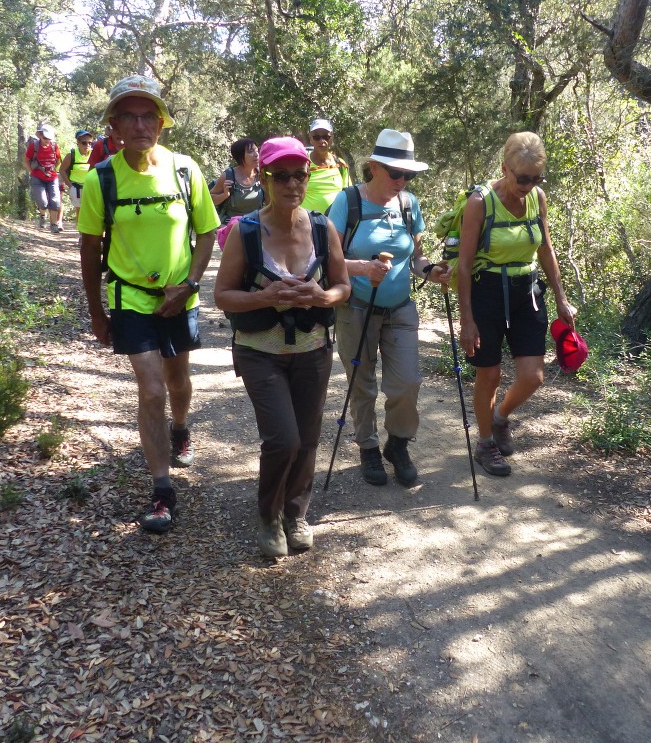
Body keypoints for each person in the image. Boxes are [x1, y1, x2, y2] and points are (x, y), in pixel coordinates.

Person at [77, 75, 219, 534]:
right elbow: (89, 248)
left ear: (160, 123)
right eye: (129, 116)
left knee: (178, 383)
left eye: (147, 116)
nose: (139, 124)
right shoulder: (102, 178)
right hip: (129, 299)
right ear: (114, 125)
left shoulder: (185, 169)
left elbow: (208, 232)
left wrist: (191, 284)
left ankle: (181, 428)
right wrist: (98, 312)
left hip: (180, 296)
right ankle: (162, 492)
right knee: (152, 390)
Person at [215, 137, 350, 558]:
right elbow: (223, 295)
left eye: (300, 174)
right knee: (283, 439)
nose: (292, 183)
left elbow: (343, 285)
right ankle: (269, 515)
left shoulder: (323, 227)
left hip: (312, 350)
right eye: (281, 176)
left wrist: (322, 297)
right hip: (260, 351)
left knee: (308, 438)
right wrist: (265, 297)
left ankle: (296, 514)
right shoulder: (246, 231)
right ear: (266, 180)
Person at [326, 129, 449, 487]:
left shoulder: (409, 204)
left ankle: (397, 445)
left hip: (400, 307)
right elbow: (329, 259)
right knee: (361, 385)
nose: (402, 180)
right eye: (395, 173)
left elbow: (417, 257)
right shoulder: (348, 202)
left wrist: (431, 271)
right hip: (356, 309)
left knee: (407, 382)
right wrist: (363, 268)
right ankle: (367, 448)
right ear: (374, 167)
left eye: (408, 174)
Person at [456, 131, 576, 477]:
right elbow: (464, 263)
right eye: (523, 178)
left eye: (536, 178)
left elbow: (546, 249)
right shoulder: (480, 202)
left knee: (534, 376)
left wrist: (561, 298)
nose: (529, 184)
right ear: (504, 168)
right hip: (487, 291)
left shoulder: (538, 197)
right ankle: (484, 443)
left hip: (527, 291)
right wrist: (468, 319)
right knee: (489, 373)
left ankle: (499, 418)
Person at [301, 118, 351, 213]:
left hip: (336, 222)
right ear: (311, 139)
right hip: (308, 223)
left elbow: (348, 194)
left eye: (326, 136)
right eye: (316, 137)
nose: (322, 141)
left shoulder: (340, 164)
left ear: (332, 138)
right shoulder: (302, 163)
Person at [209, 138, 262, 224]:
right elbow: (210, 199)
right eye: (250, 151)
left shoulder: (261, 175)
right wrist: (225, 195)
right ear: (240, 156)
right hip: (231, 229)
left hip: (257, 227)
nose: (256, 154)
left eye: (257, 150)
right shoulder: (228, 176)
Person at [24, 124, 64, 233]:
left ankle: (54, 225)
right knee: (43, 201)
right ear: (41, 136)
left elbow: (58, 159)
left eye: (49, 138)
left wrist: (52, 169)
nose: (47, 140)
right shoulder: (34, 145)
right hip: (37, 177)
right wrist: (32, 172)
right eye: (45, 138)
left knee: (55, 201)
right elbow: (26, 159)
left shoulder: (54, 146)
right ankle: (42, 216)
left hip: (52, 177)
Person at [59, 129, 94, 214]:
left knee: (90, 210)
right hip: (76, 187)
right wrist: (71, 186)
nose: (87, 145)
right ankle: (79, 227)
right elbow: (62, 170)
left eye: (90, 143)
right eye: (84, 143)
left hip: (90, 187)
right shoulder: (71, 155)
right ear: (78, 142)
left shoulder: (94, 153)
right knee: (79, 210)